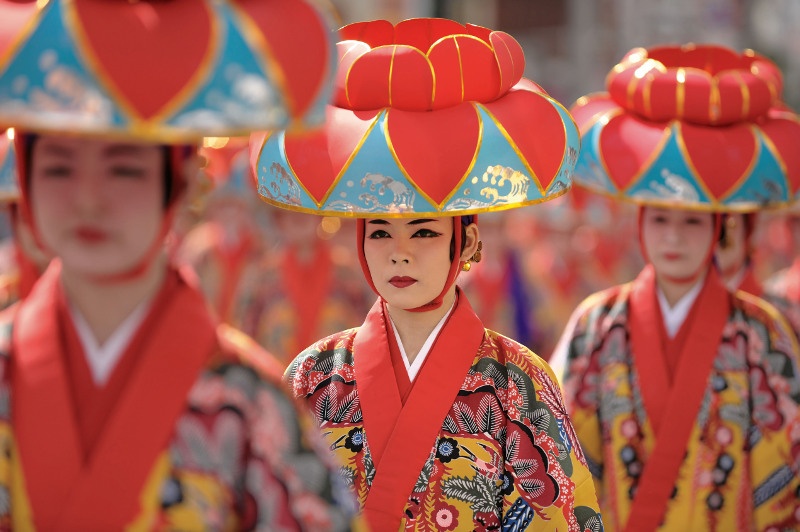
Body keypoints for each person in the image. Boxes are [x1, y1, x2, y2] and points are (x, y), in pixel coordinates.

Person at [0, 1, 357, 529]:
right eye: (58, 167)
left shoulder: (246, 403)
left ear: (184, 180)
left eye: (123, 170)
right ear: (23, 181)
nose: (89, 200)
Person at [252, 18, 604, 531]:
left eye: (423, 233)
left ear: (464, 242)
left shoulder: (519, 382)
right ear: (358, 242)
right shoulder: (313, 377)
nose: (399, 254)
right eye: (379, 233)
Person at [551, 44, 800, 531]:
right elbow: (567, 455)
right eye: (660, 219)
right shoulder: (598, 322)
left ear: (718, 230)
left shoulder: (759, 332)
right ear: (640, 224)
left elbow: (783, 468)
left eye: (691, 223)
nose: (672, 238)